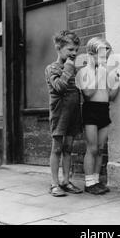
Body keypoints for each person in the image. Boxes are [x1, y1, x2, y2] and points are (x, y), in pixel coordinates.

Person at [80, 37, 120, 195]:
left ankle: (97, 181)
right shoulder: (85, 72)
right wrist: (98, 73)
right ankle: (89, 182)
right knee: (91, 148)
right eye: (101, 55)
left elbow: (110, 96)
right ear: (91, 54)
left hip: (103, 110)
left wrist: (117, 82)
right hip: (91, 110)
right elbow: (88, 93)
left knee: (99, 149)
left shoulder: (105, 72)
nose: (104, 59)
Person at [45, 30, 83, 197]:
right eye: (70, 50)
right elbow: (59, 87)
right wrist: (68, 66)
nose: (74, 53)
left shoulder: (74, 68)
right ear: (58, 49)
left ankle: (66, 181)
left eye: (76, 50)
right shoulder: (52, 68)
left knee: (68, 148)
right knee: (57, 148)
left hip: (73, 112)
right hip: (59, 113)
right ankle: (54, 183)